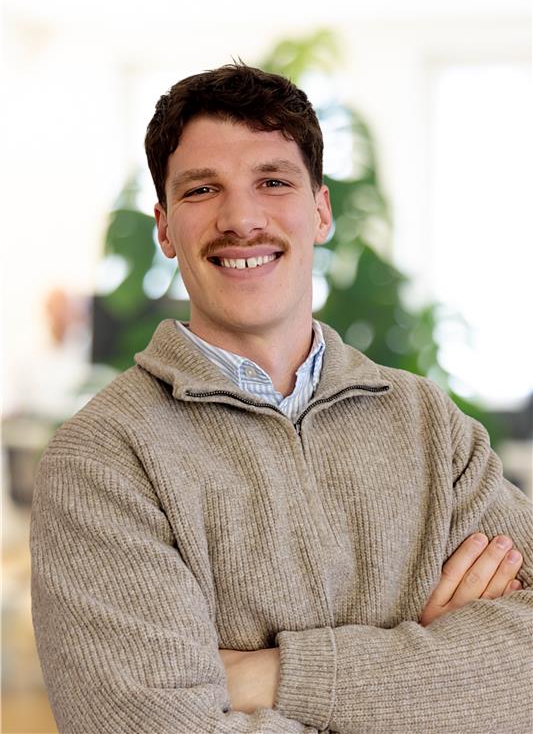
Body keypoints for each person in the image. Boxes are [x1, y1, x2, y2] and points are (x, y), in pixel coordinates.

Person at [31, 64, 531, 734]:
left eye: (272, 182)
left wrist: (270, 675)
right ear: (164, 228)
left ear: (319, 210)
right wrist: (437, 679)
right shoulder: (103, 459)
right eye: (202, 189)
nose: (241, 219)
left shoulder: (430, 426)